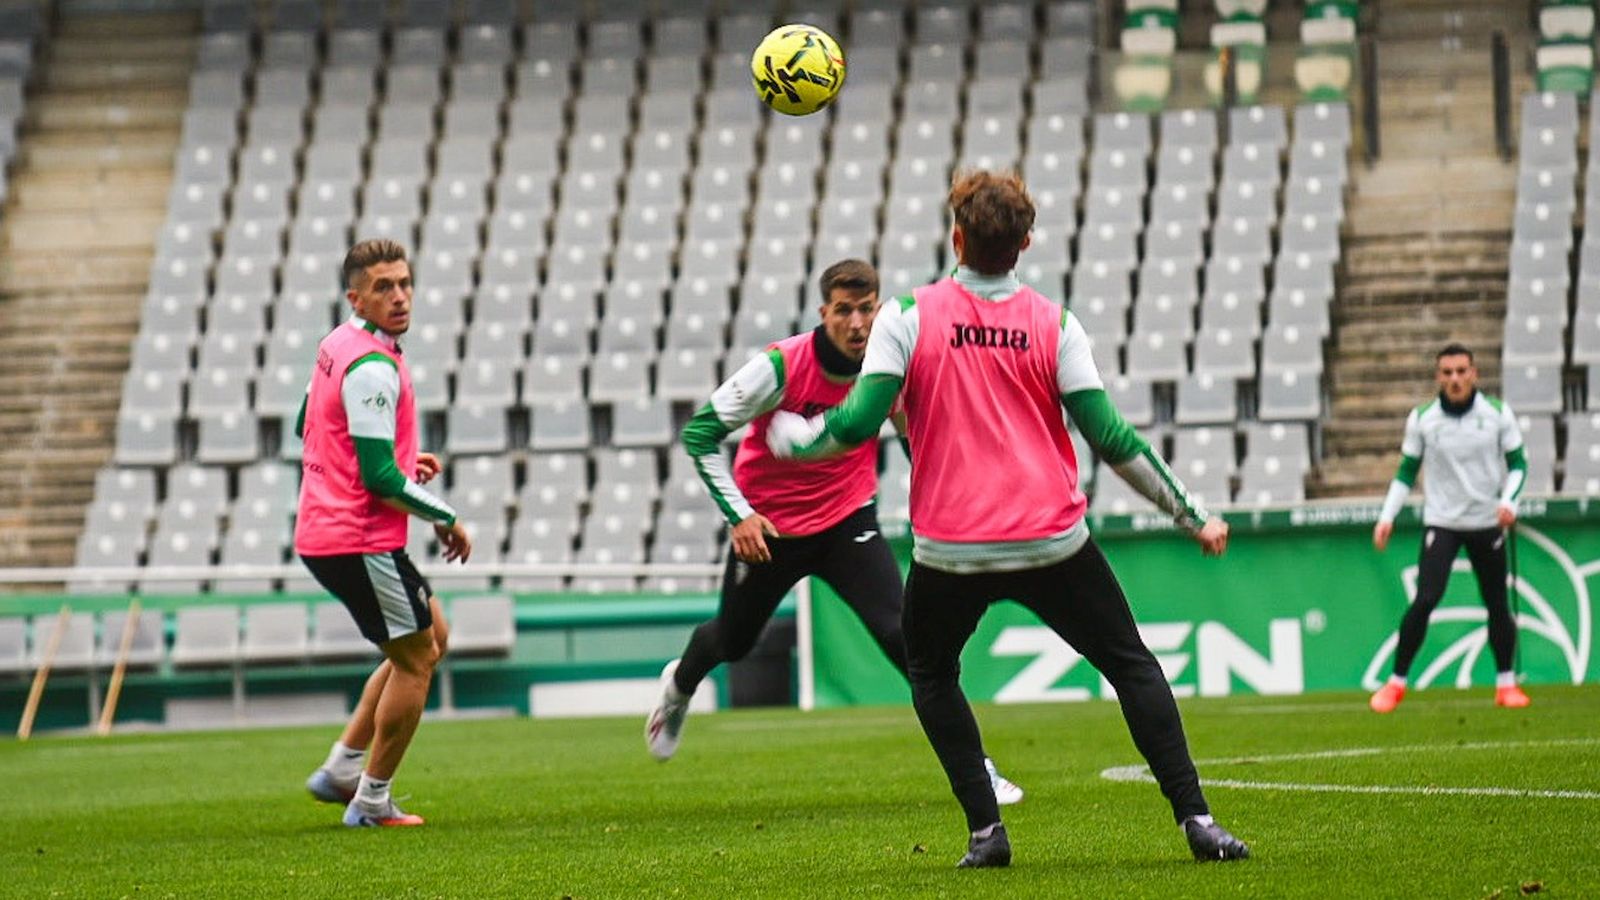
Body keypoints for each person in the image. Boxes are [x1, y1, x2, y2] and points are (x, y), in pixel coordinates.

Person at [766, 170, 1248, 867]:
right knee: (1131, 665)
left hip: (951, 549)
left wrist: (797, 440)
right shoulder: (1055, 324)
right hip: (1051, 540)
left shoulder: (907, 315)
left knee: (931, 674)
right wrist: (1191, 513)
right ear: (1024, 244)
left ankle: (987, 833)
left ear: (956, 238)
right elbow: (1112, 440)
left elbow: (857, 423)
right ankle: (1197, 819)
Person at [645, 258, 1024, 806]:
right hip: (770, 527)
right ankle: (678, 688)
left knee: (907, 642)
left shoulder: (889, 363)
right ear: (824, 313)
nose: (857, 323)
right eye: (843, 311)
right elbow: (700, 433)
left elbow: (917, 441)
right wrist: (740, 515)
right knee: (733, 640)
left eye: (866, 309)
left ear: (879, 308)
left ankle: (978, 771)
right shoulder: (781, 366)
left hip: (849, 521)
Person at [295, 239, 473, 827]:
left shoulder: (337, 344)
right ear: (356, 297)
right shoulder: (373, 366)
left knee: (430, 635)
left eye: (404, 283)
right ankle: (371, 800)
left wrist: (397, 456)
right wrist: (445, 517)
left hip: (330, 531)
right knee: (417, 658)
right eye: (383, 287)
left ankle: (342, 769)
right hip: (358, 537)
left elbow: (307, 423)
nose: (399, 296)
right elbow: (378, 481)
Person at [1369, 343, 1531, 713]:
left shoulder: (1497, 413)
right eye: (1447, 372)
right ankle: (1396, 683)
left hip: (1486, 520)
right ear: (1438, 376)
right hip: (1442, 521)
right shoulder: (1423, 418)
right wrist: (1387, 516)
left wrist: (1509, 502)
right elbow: (1406, 471)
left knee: (1497, 602)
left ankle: (1506, 684)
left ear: (1474, 373)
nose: (1455, 378)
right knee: (1426, 598)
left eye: (1461, 371)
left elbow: (1519, 464)